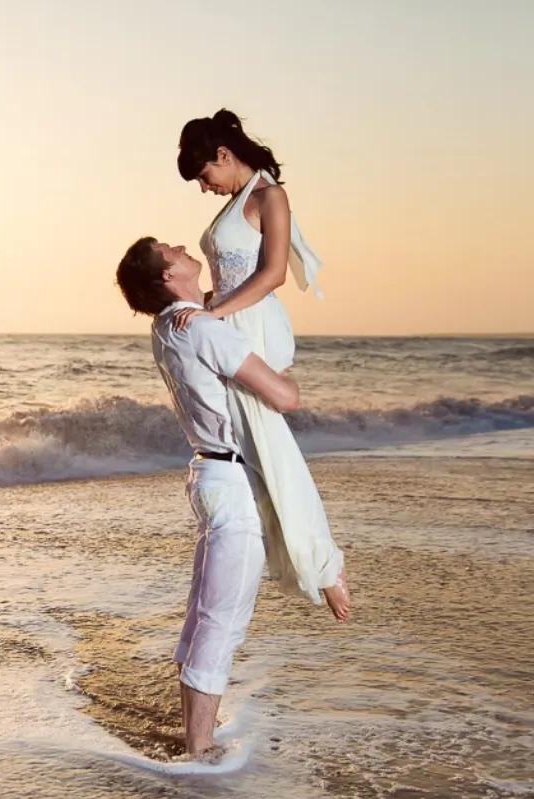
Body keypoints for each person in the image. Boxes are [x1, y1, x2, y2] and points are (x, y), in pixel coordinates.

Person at [115, 236, 305, 757]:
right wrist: (280, 370)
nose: (180, 244)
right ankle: (198, 753)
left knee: (203, 614)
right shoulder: (199, 327)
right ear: (168, 277)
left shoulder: (168, 327)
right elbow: (285, 397)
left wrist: (214, 306)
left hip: (208, 474)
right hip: (229, 482)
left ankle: (195, 736)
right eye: (169, 250)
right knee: (220, 620)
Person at [173, 109, 349, 618]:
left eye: (205, 175)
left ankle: (324, 563)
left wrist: (214, 312)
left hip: (248, 327)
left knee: (271, 452)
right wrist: (205, 305)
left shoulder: (270, 197)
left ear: (224, 156)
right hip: (232, 322)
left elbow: (272, 274)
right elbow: (231, 277)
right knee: (253, 455)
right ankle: (299, 559)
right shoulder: (235, 202)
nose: (205, 188)